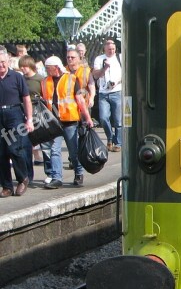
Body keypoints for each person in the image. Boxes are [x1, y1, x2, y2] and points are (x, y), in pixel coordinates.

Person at [41, 56, 93, 188]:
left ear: (56, 67)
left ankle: (79, 173)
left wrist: (87, 118)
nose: (47, 70)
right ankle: (57, 178)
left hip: (69, 121)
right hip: (54, 122)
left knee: (73, 151)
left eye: (48, 68)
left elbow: (80, 100)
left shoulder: (71, 79)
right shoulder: (45, 81)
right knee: (54, 150)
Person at [0, 48, 34, 197]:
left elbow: (26, 98)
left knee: (15, 149)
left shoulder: (16, 77)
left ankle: (22, 178)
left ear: (7, 61)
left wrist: (29, 119)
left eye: (3, 62)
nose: (1, 65)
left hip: (14, 114)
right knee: (1, 153)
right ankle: (7, 186)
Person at [92, 39, 122, 151]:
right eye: (109, 49)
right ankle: (110, 137)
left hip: (117, 91)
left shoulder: (120, 58)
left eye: (113, 49)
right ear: (104, 48)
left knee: (118, 120)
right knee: (103, 118)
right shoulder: (99, 59)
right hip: (103, 93)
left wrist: (116, 82)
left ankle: (118, 143)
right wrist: (105, 68)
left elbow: (125, 73)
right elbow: (96, 75)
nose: (111, 51)